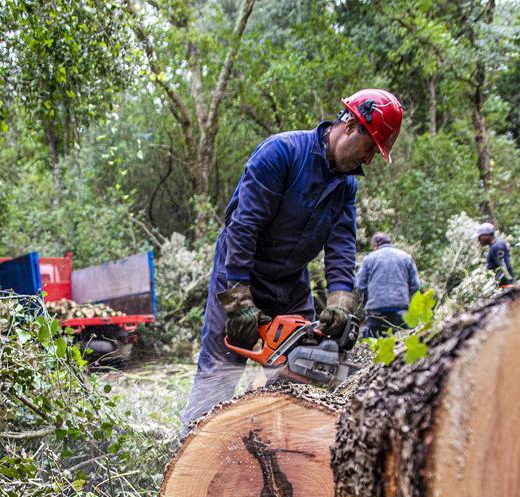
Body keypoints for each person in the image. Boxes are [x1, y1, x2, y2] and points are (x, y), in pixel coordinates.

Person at [179, 89, 405, 428]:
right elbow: (243, 229)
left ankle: (280, 451)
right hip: (242, 274)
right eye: (371, 148)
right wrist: (239, 302)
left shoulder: (346, 186)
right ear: (352, 127)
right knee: (220, 373)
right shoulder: (281, 153)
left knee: (309, 369)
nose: (369, 159)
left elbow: (342, 246)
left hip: (292, 283)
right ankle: (188, 447)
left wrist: (341, 304)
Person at [353, 231, 420, 337]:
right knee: (402, 343)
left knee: (371, 346)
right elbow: (415, 285)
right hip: (400, 310)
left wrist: (366, 300)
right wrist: (410, 304)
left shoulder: (369, 259)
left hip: (376, 312)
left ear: (375, 244)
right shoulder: (406, 257)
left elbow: (360, 285)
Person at [477, 222, 514, 288]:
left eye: (480, 237)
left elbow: (504, 267)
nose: (479, 240)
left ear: (486, 235)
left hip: (505, 286)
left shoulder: (497, 247)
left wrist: (507, 285)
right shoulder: (496, 244)